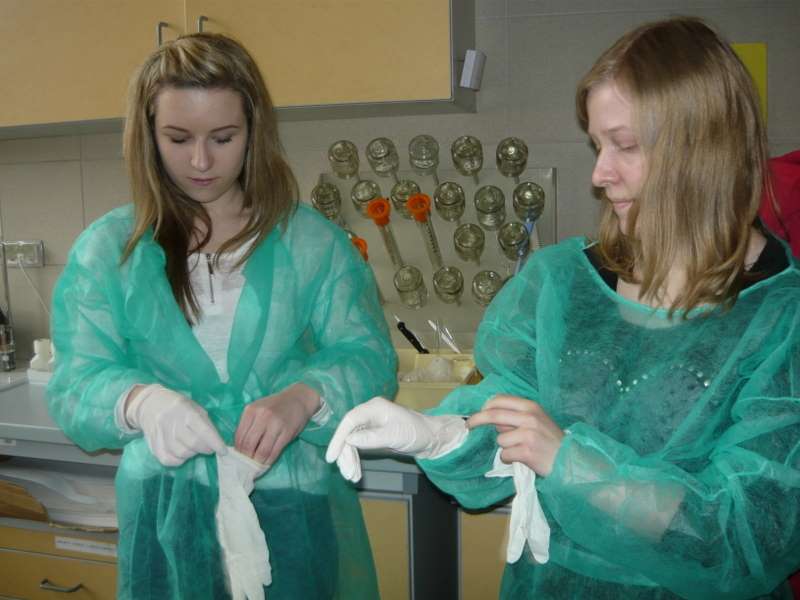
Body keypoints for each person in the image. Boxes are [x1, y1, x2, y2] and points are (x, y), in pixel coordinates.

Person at [327, 16, 800, 600]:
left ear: (704, 148)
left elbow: (748, 538)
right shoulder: (563, 284)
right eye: (598, 145)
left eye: (625, 145)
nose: (600, 175)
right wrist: (436, 435)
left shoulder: (780, 319)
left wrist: (571, 462)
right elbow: (506, 411)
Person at [47, 33, 397, 599]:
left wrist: (305, 396)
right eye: (178, 138)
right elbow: (75, 382)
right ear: (148, 135)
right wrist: (140, 402)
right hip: (165, 507)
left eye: (223, 137)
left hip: (287, 502)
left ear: (254, 131)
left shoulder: (311, 243)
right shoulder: (110, 250)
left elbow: (368, 357)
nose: (201, 162)